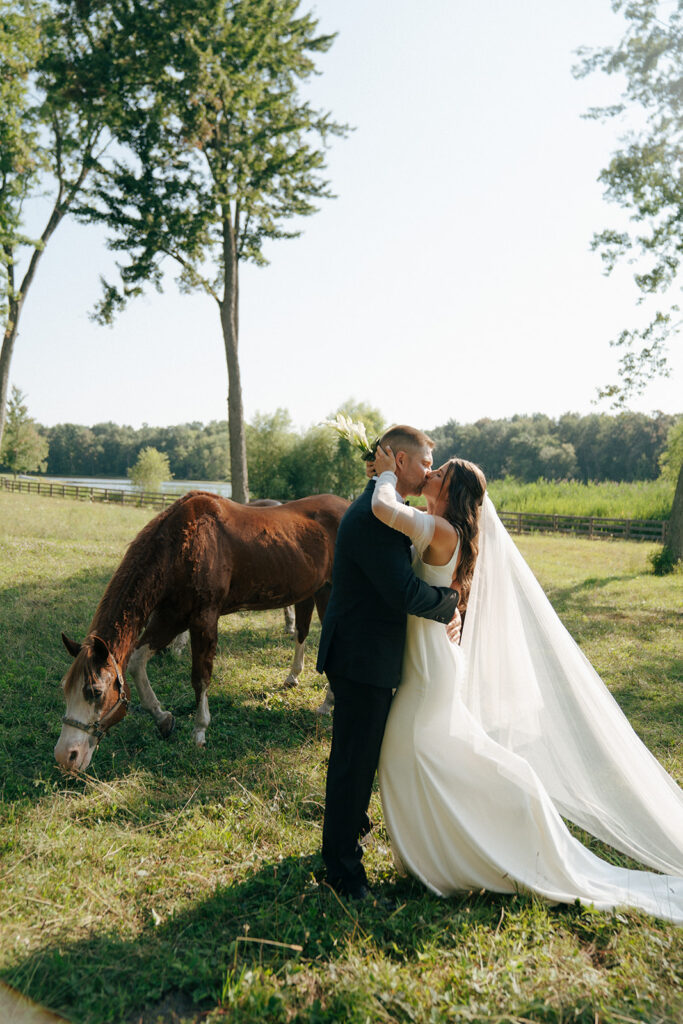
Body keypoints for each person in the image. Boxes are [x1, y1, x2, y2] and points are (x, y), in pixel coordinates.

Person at [370, 443, 683, 923]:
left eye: (440, 474)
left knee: (412, 753)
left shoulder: (440, 529)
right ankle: (471, 832)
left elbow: (381, 508)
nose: (430, 474)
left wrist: (386, 471)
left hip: (430, 668)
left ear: (451, 493)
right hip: (434, 654)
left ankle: (483, 833)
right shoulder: (443, 527)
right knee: (431, 752)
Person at [316, 425, 461, 901]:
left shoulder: (388, 509)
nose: (427, 472)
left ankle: (348, 829)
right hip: (361, 656)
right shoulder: (376, 516)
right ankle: (341, 869)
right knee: (353, 763)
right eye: (423, 463)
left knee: (358, 756)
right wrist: (450, 603)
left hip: (365, 652)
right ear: (398, 461)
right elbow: (401, 591)